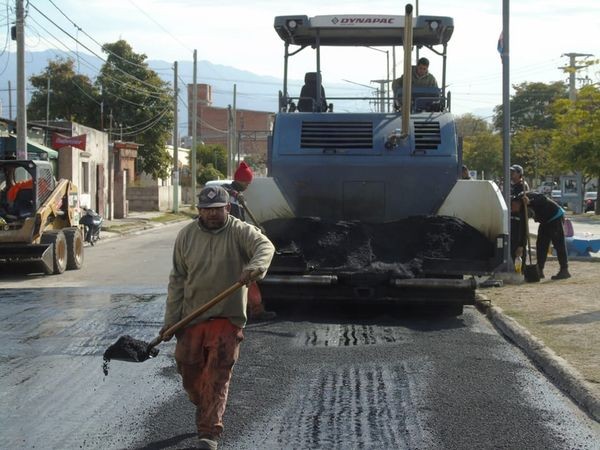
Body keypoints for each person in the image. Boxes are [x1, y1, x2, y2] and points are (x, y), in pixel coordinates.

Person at [161, 185, 275, 450]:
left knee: (217, 374)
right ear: (199, 210)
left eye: (217, 210)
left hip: (228, 317)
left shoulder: (239, 231)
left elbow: (265, 246)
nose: (212, 215)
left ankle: (209, 432)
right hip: (192, 317)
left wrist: (255, 267)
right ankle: (203, 401)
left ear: (227, 208)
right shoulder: (186, 236)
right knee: (188, 370)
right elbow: (177, 280)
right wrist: (171, 319)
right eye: (206, 210)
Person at [224, 162, 277, 321]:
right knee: (247, 276)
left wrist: (254, 229)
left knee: (245, 277)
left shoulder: (239, 196)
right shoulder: (228, 193)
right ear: (239, 180)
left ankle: (251, 308)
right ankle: (255, 310)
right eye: (247, 182)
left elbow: (240, 221)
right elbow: (222, 192)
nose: (248, 185)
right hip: (230, 243)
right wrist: (233, 193)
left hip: (238, 240)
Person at [514, 191, 570, 280]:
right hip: (544, 221)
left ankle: (564, 270)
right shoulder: (520, 210)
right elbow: (524, 228)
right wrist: (521, 245)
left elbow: (543, 198)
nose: (513, 209)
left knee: (559, 244)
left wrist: (530, 202)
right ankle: (539, 270)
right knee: (541, 245)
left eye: (513, 206)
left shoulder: (526, 196)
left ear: (516, 202)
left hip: (555, 216)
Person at [509, 164, 530, 263]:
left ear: (519, 174)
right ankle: (514, 265)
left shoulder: (522, 186)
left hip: (520, 219)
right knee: (512, 244)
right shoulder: (511, 186)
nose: (511, 174)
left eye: (513, 172)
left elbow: (518, 203)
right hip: (511, 218)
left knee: (520, 244)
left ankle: (522, 269)